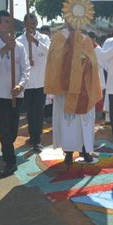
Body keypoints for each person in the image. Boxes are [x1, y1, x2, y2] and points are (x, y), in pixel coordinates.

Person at [44, 21, 102, 165]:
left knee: (84, 123)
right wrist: (68, 50)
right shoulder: (59, 37)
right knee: (68, 123)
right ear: (67, 20)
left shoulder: (85, 39)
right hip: (66, 89)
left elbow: (94, 62)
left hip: (84, 88)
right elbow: (53, 59)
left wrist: (85, 63)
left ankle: (85, 150)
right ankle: (68, 152)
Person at [0, 10, 30, 177]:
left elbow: (26, 70)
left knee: (12, 130)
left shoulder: (20, 46)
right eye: (5, 21)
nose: (9, 24)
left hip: (15, 94)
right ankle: (10, 162)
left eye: (10, 21)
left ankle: (7, 150)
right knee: (3, 129)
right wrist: (4, 49)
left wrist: (20, 85)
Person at [17, 13, 50, 152]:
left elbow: (50, 53)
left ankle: (37, 139)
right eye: (30, 22)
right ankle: (33, 135)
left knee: (39, 110)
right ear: (25, 24)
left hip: (41, 81)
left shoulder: (44, 38)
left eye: (34, 22)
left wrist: (35, 42)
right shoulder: (19, 40)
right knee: (30, 111)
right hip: (28, 82)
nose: (32, 24)